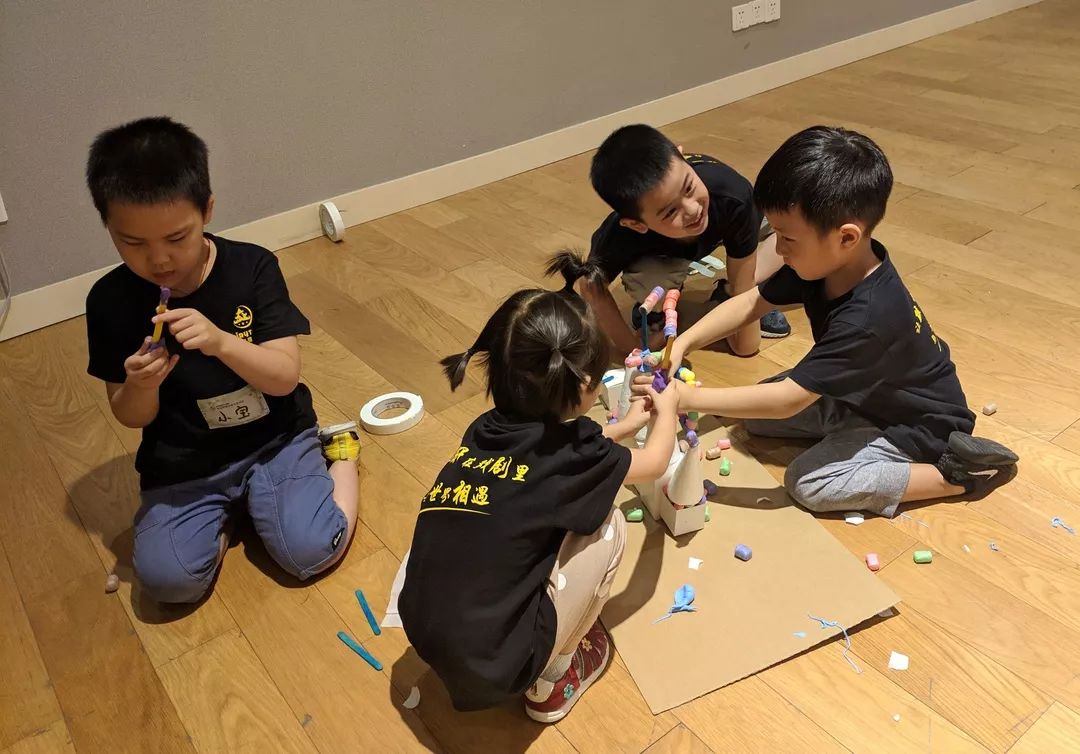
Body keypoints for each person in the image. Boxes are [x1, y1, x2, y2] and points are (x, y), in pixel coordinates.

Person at [643, 126, 1017, 518]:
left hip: (917, 424)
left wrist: (685, 398)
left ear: (847, 237)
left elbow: (788, 401)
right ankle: (847, 427)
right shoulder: (830, 263)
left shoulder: (866, 319)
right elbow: (750, 303)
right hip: (865, 393)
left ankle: (957, 474)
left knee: (809, 482)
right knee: (756, 415)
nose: (778, 249)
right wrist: (682, 343)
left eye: (787, 238)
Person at [84, 116, 360, 603]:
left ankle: (342, 455)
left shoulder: (252, 267)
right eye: (133, 243)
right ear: (108, 226)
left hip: (275, 438)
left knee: (311, 550)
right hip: (185, 463)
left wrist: (220, 342)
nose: (159, 260)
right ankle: (229, 514)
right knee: (167, 584)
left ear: (207, 210)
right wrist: (141, 385)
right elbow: (129, 416)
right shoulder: (109, 301)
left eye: (177, 238)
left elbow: (283, 378)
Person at [399, 253, 679, 722]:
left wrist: (627, 425)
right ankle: (554, 679)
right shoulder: (575, 455)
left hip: (424, 630)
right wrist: (667, 409)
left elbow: (560, 455)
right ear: (586, 384)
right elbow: (652, 464)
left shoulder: (484, 429)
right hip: (499, 666)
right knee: (609, 525)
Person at [580, 124, 790, 358]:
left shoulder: (732, 196)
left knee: (796, 226)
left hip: (727, 216)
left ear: (682, 156)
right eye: (670, 212)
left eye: (689, 187)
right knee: (652, 286)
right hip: (663, 256)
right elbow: (590, 288)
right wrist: (633, 347)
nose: (692, 210)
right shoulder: (621, 236)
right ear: (636, 224)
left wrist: (742, 300)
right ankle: (658, 311)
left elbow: (746, 345)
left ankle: (726, 291)